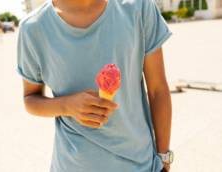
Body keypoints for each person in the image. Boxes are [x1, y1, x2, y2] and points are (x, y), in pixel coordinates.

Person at [16, 0, 173, 171]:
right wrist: (66, 105)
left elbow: (158, 90)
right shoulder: (33, 28)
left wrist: (163, 158)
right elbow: (30, 99)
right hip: (72, 166)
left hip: (141, 165)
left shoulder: (139, 7)